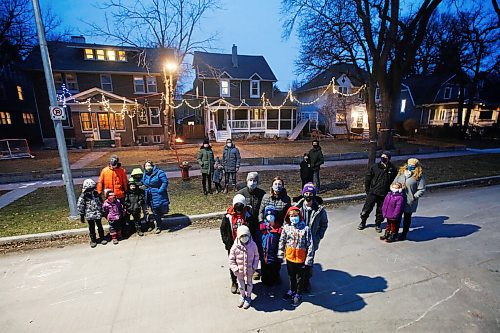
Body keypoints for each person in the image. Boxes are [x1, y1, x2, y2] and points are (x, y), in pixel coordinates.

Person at [294, 183, 328, 291]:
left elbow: (324, 224)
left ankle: (306, 281)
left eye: (311, 193)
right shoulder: (296, 208)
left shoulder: (319, 210)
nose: (308, 195)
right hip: (298, 241)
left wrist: (318, 237)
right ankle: (297, 282)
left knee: (308, 263)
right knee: (298, 262)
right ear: (303, 194)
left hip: (311, 241)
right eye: (306, 193)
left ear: (314, 195)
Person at [278, 206, 314, 307]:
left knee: (299, 277)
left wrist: (309, 259)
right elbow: (282, 240)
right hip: (290, 257)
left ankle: (298, 293)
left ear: (299, 216)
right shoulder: (286, 227)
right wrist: (281, 253)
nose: (293, 217)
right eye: (291, 216)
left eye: (295, 216)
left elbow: (310, 244)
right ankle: (291, 290)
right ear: (288, 217)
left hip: (300, 258)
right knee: (291, 276)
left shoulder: (305, 228)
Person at [358, 151, 397, 233]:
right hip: (373, 192)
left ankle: (378, 224)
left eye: (385, 157)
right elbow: (368, 179)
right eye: (382, 156)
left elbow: (394, 181)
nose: (383, 158)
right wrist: (368, 190)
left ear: (389, 158)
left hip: (384, 193)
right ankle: (363, 222)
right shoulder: (375, 167)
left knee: (381, 210)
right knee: (367, 209)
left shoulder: (392, 168)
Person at [220, 194, 252, 294]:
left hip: (245, 244)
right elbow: (223, 230)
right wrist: (226, 242)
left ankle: (245, 282)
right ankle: (234, 282)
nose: (239, 211)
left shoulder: (247, 215)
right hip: (233, 244)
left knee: (245, 264)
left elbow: (253, 228)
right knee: (233, 263)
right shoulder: (228, 216)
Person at [237, 172, 266, 275]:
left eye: (254, 180)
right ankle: (251, 269)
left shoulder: (262, 194)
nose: (252, 182)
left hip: (258, 225)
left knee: (260, 246)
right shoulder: (241, 193)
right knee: (248, 247)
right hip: (246, 226)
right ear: (246, 181)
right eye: (250, 180)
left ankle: (262, 268)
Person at [393, 158, 426, 241]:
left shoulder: (419, 176)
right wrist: (395, 189)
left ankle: (404, 233)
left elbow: (421, 189)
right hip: (399, 198)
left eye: (413, 165)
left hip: (409, 200)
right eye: (409, 165)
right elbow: (394, 182)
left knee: (407, 217)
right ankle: (394, 233)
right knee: (397, 217)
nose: (410, 166)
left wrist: (414, 197)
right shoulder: (401, 173)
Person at [228, 225, 259, 309]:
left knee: (249, 284)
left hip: (249, 270)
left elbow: (256, 257)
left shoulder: (253, 245)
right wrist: (235, 269)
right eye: (242, 236)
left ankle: (248, 297)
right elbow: (231, 259)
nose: (244, 238)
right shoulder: (235, 247)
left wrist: (254, 267)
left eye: (246, 236)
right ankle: (242, 296)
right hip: (239, 271)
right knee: (241, 285)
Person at [77, 179, 107, 248]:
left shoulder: (96, 193)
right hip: (89, 214)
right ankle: (93, 240)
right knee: (91, 227)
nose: (91, 190)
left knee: (100, 226)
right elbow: (80, 205)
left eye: (93, 188)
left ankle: (102, 238)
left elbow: (100, 202)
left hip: (97, 213)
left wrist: (102, 211)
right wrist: (81, 215)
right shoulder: (84, 196)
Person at [142, 160, 170, 234]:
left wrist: (160, 190)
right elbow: (144, 182)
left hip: (159, 193)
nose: (147, 167)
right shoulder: (145, 174)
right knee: (154, 211)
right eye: (146, 166)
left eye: (149, 165)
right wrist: (143, 187)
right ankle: (159, 226)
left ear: (152, 166)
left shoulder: (159, 172)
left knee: (161, 208)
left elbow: (165, 182)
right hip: (150, 195)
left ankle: (161, 221)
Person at [259, 205, 282, 287]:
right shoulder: (261, 228)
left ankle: (276, 277)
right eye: (268, 218)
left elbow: (281, 243)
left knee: (275, 269)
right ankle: (265, 279)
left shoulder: (279, 229)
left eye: (272, 218)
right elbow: (258, 240)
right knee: (265, 270)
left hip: (274, 255)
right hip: (264, 255)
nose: (269, 221)